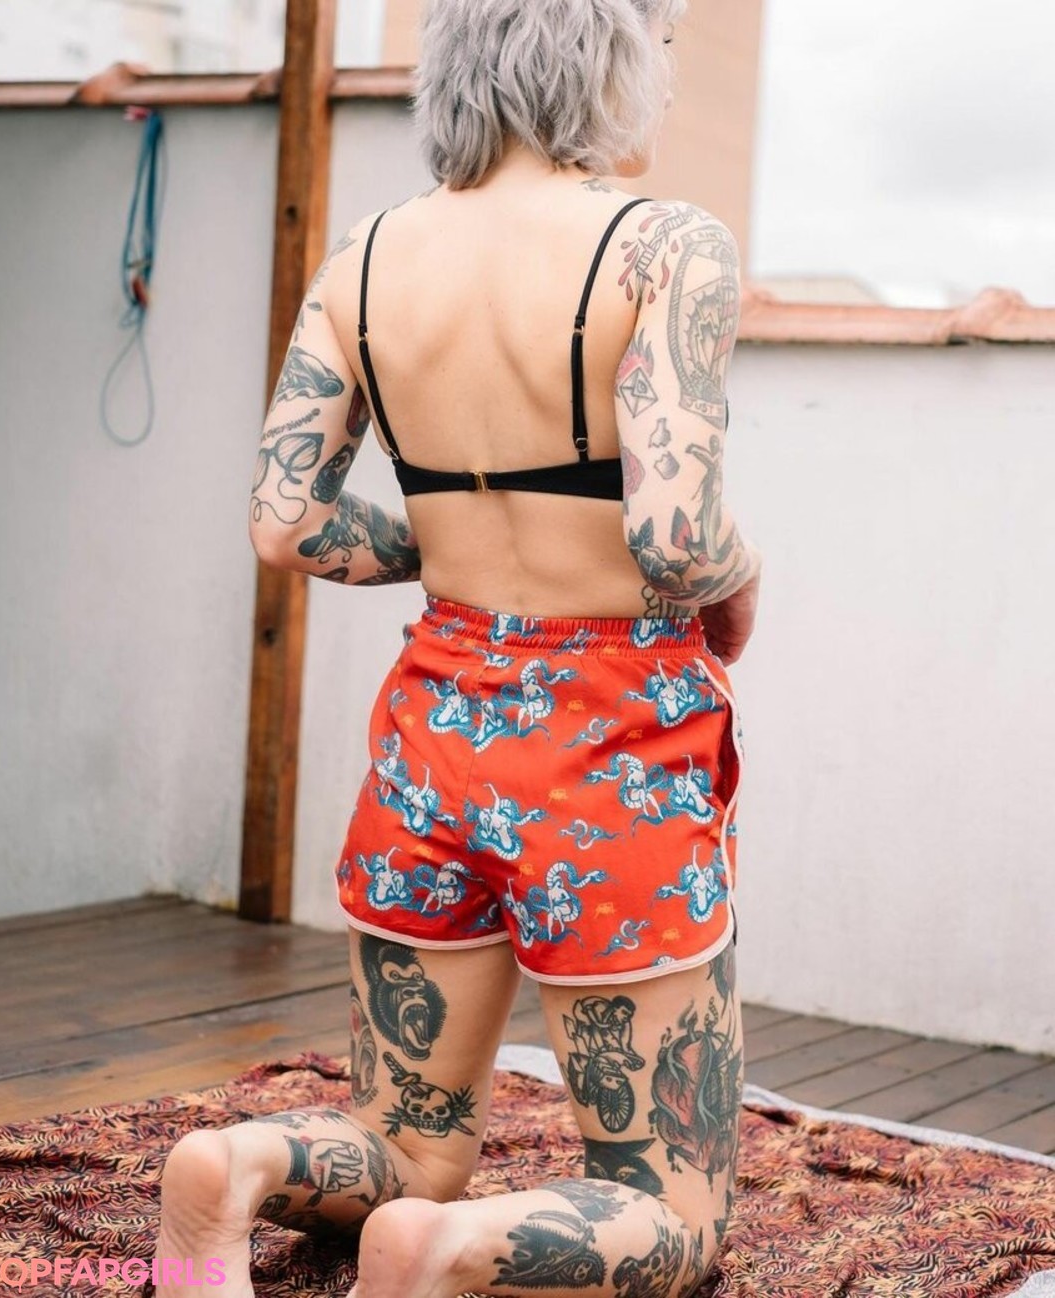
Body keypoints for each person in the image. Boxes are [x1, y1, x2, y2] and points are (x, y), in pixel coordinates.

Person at [156, 0, 762, 1294]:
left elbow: (286, 522)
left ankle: (235, 1163)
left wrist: (450, 542)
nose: (665, 75)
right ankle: (444, 1250)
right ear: (605, 57)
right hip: (612, 748)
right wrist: (742, 572)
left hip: (436, 725)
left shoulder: (366, 256)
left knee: (408, 1144)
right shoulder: (668, 247)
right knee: (675, 1207)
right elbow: (674, 534)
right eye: (658, 48)